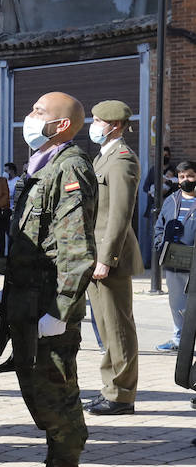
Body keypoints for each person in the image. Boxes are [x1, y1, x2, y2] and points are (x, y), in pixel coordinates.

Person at [3, 92, 94, 467]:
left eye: (39, 112)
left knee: (57, 396)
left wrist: (59, 312)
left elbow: (76, 250)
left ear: (60, 126)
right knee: (40, 392)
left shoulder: (70, 168)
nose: (29, 117)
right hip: (30, 304)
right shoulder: (43, 168)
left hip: (49, 309)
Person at [84, 100, 143, 416]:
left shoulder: (121, 160)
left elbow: (120, 215)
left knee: (118, 326)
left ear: (115, 125)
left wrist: (107, 258)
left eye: (97, 120)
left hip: (110, 256)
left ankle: (121, 395)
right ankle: (111, 388)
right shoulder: (104, 157)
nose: (92, 125)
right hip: (98, 254)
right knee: (106, 327)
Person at [155, 162, 196, 352]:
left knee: (192, 304)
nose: (185, 180)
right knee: (176, 302)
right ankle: (178, 339)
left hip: (193, 261)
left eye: (190, 176)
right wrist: (159, 244)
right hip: (173, 260)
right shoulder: (171, 200)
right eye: (182, 177)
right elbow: (160, 226)